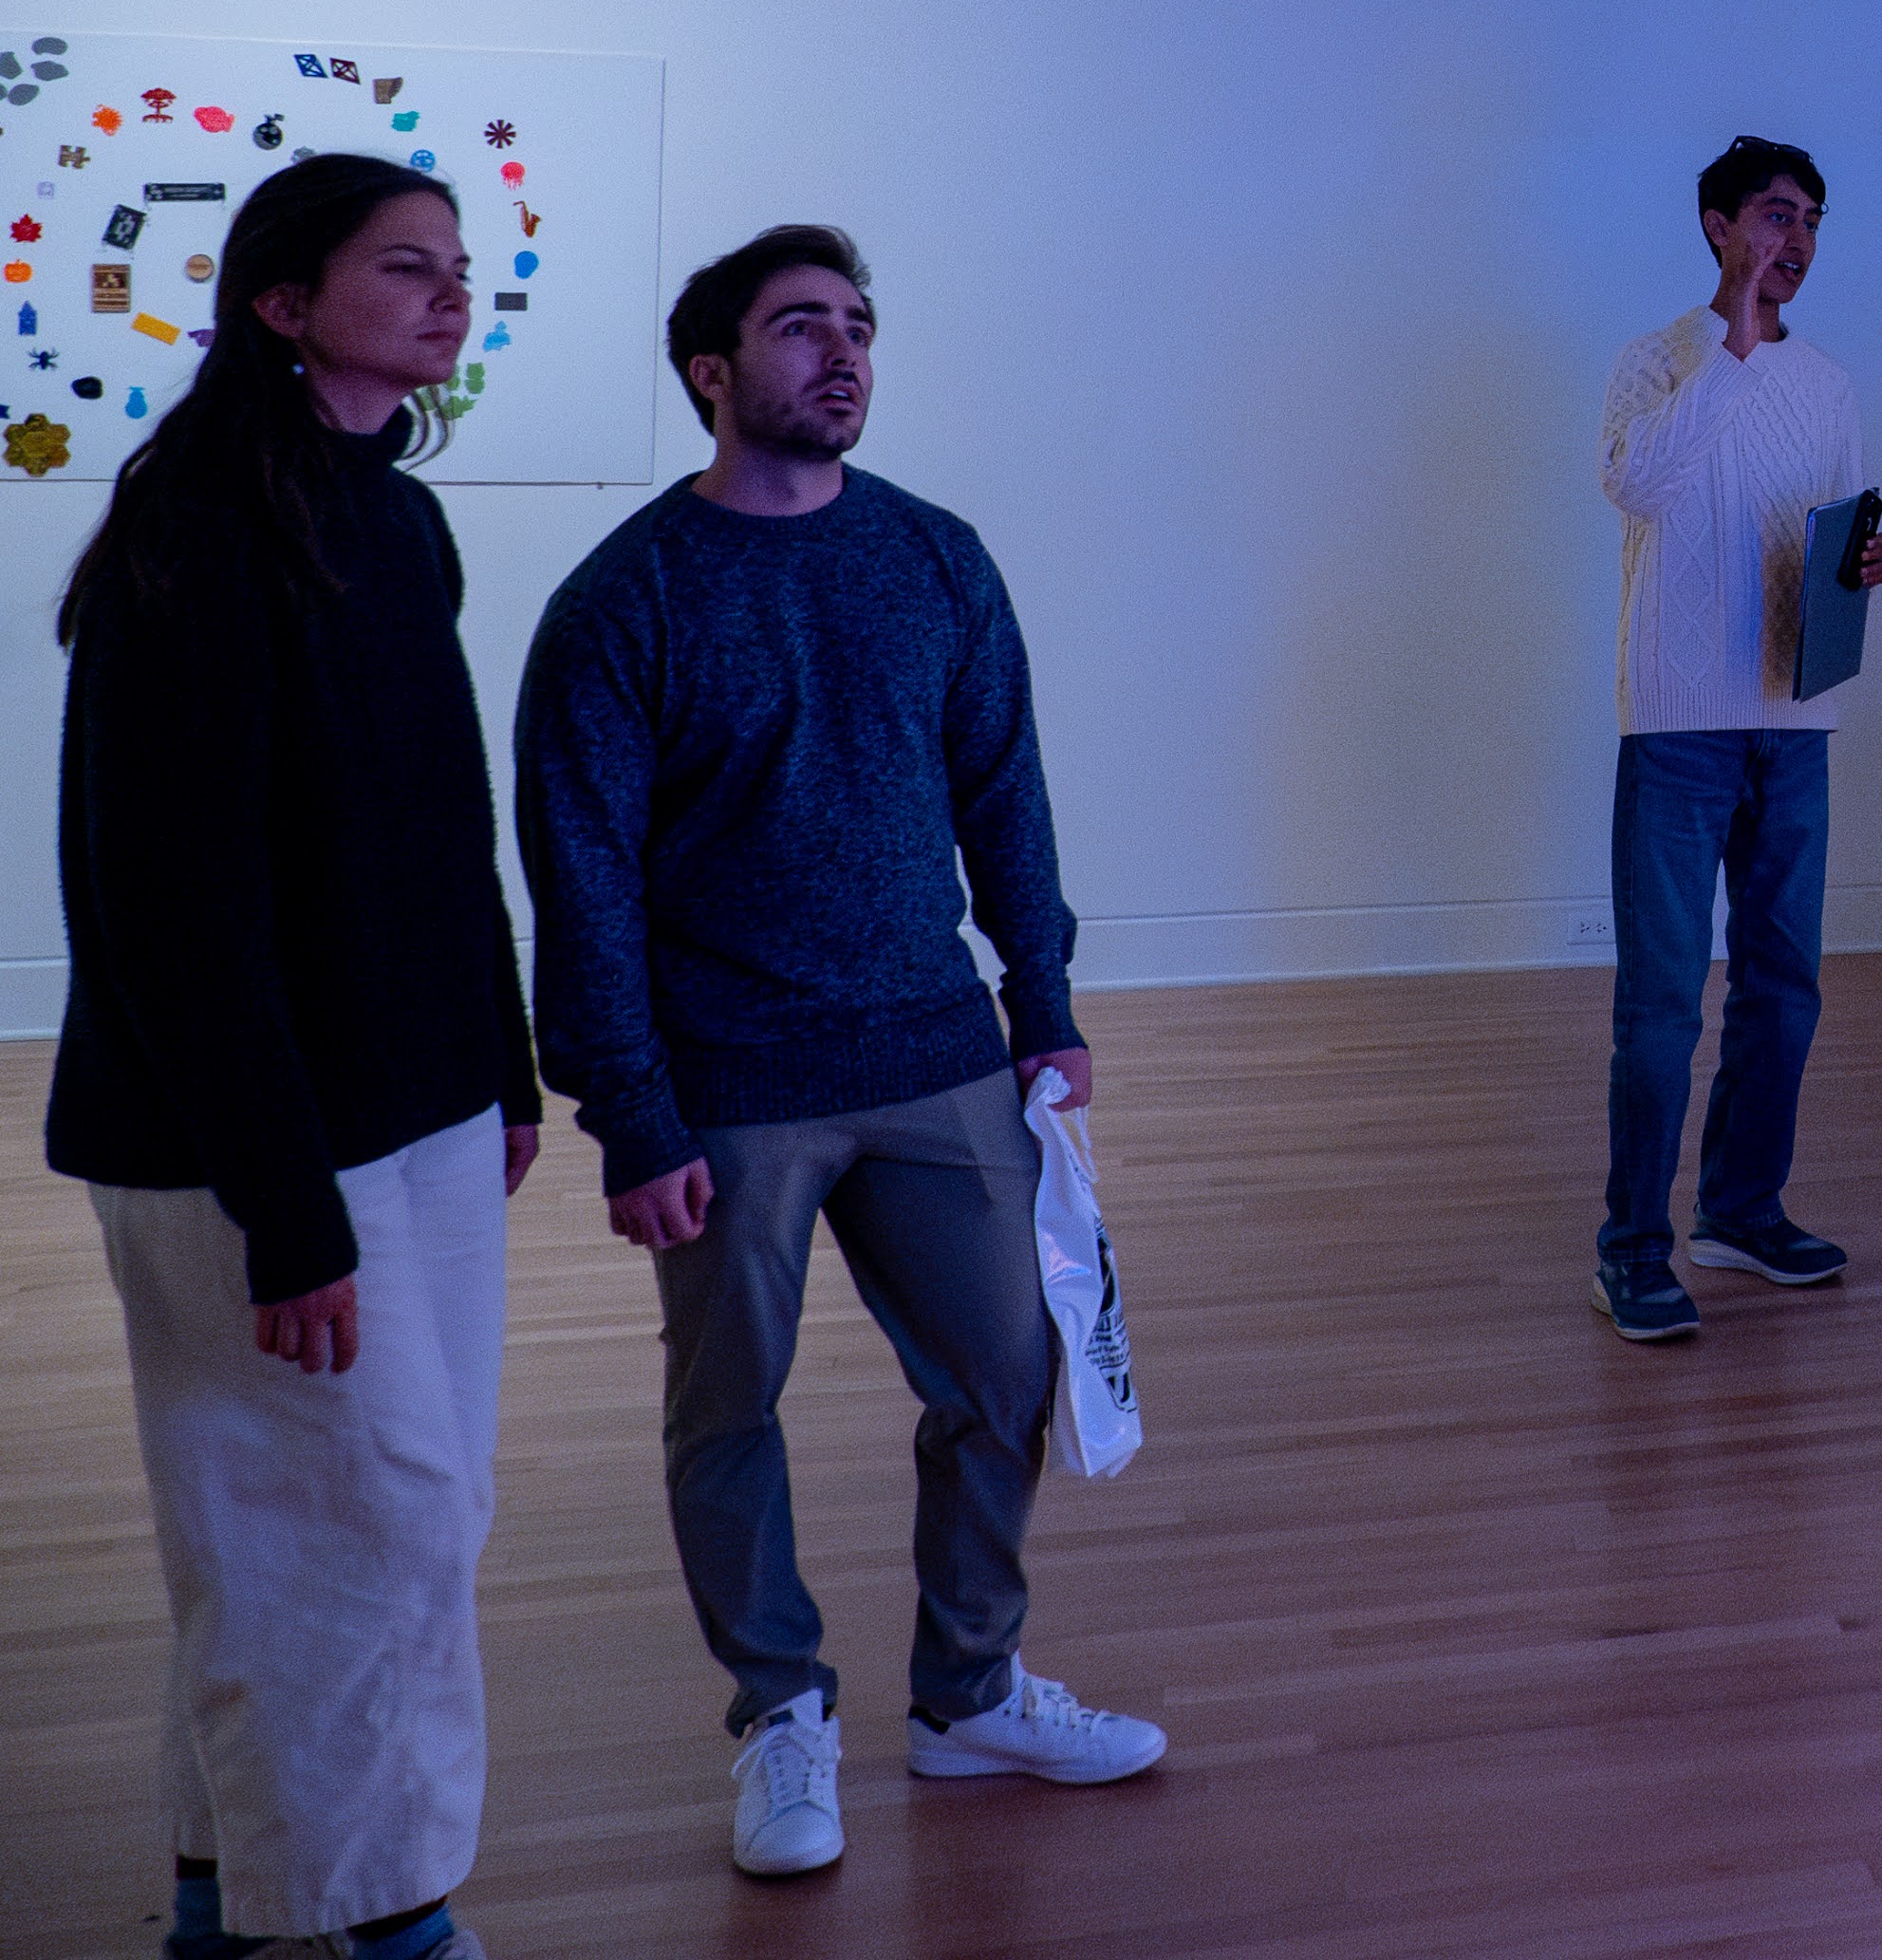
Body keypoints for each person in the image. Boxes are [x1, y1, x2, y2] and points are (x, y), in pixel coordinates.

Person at [517, 225, 1161, 1887]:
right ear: (713, 374)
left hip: (932, 1044)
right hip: (727, 1080)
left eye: (861, 325)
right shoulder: (622, 601)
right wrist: (631, 1109)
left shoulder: (937, 557)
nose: (844, 352)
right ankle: (779, 1706)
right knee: (727, 1402)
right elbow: (579, 878)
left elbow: (1004, 793)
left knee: (1006, 1369)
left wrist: (1048, 1000)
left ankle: (967, 1688)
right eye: (801, 325)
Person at [47, 158, 534, 1960]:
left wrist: (502, 1062)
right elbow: (170, 901)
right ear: (279, 299)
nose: (445, 295)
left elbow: (437, 824)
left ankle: (219, 1897)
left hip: (411, 1110)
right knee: (372, 1521)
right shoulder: (198, 528)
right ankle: (387, 1917)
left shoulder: (391, 516)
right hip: (248, 1145)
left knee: (341, 1517)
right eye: (403, 266)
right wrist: (290, 1207)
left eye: (458, 269)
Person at [1591, 136, 1882, 1344]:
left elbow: (1833, 532)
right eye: (1776, 217)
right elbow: (1640, 486)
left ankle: (1741, 1209)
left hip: (1794, 720)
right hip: (1677, 726)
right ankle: (1630, 1248)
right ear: (1718, 224)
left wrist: (1863, 565)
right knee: (1662, 1004)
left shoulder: (1826, 381)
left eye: (1812, 220)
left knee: (1784, 989)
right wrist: (1729, 340)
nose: (1798, 241)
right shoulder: (1652, 363)